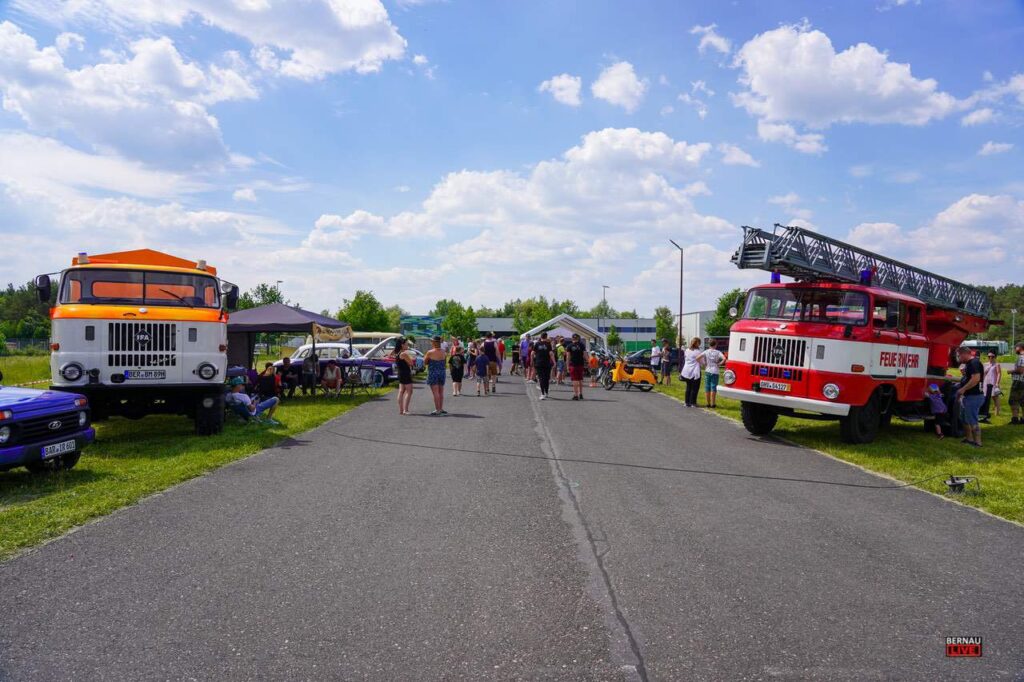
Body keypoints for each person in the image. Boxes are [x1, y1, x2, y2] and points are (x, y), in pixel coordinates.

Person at [954, 345, 984, 447]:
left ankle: (978, 443)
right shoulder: (968, 364)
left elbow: (976, 379)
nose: (958, 358)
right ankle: (969, 439)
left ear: (964, 354)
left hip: (974, 396)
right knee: (964, 419)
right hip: (968, 396)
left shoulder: (974, 363)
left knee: (972, 420)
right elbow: (969, 378)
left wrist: (963, 389)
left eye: (959, 355)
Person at [424, 336, 448, 416]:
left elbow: (425, 362)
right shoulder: (443, 351)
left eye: (432, 341)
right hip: (442, 372)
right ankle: (440, 408)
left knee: (435, 392)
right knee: (441, 392)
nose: (431, 342)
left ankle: (438, 410)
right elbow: (444, 362)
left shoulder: (430, 352)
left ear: (434, 342)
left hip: (433, 372)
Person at [700, 339, 725, 408]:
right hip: (715, 371)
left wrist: (703, 363)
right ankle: (713, 404)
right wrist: (719, 364)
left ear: (709, 345)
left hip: (708, 370)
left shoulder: (706, 351)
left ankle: (708, 403)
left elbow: (698, 358)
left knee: (707, 387)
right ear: (715, 345)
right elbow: (724, 358)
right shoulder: (718, 352)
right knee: (713, 387)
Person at [680, 337, 704, 408]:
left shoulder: (687, 350)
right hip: (695, 371)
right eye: (699, 343)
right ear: (697, 343)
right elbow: (702, 362)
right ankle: (693, 403)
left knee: (688, 387)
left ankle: (687, 402)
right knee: (695, 388)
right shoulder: (698, 352)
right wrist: (704, 365)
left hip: (686, 371)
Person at [531, 332, 555, 400]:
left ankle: (542, 394)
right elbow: (551, 354)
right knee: (546, 378)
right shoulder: (548, 344)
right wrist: (554, 362)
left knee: (541, 378)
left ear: (540, 337)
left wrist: (532, 361)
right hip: (547, 363)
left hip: (539, 363)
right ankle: (546, 392)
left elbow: (532, 353)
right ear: (546, 337)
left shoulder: (537, 344)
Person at [980, 351, 1002, 422]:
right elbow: (982, 374)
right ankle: (985, 412)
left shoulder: (997, 364)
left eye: (992, 356)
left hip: (993, 382)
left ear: (995, 357)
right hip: (986, 382)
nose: (990, 358)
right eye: (989, 356)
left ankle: (997, 413)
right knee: (985, 397)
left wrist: (997, 383)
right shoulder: (985, 364)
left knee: (995, 397)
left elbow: (999, 374)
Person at [395, 337, 415, 415]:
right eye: (406, 344)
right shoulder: (404, 354)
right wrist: (411, 359)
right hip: (405, 373)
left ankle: (401, 410)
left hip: (400, 373)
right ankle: (405, 409)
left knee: (401, 391)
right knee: (409, 391)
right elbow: (411, 363)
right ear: (402, 345)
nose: (407, 346)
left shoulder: (398, 353)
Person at [566, 333, 587, 400]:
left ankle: (576, 395)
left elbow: (568, 357)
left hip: (573, 365)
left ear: (572, 338)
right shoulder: (582, 345)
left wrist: (567, 366)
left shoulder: (569, 346)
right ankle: (580, 394)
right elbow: (585, 355)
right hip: (581, 364)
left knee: (575, 380)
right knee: (580, 379)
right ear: (578, 338)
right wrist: (588, 362)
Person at [1010, 341, 1024, 425]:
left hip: (1018, 381)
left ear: (1020, 348)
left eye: (1016, 348)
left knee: (1013, 400)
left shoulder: (1021, 357)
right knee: (1023, 401)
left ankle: (1015, 419)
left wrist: (1011, 371)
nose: (1015, 349)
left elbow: (1020, 370)